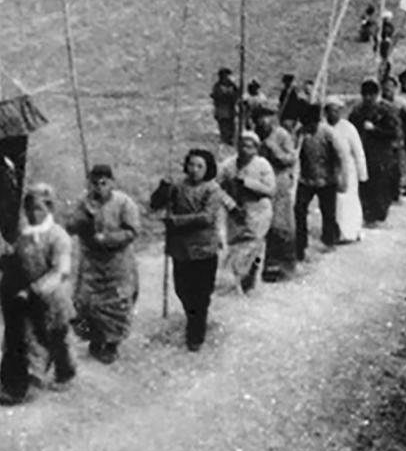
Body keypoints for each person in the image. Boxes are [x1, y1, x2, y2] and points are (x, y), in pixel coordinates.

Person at [150, 149, 236, 351]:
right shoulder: (178, 186)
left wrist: (176, 221)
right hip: (181, 248)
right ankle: (192, 318)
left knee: (201, 293)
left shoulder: (212, 189)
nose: (194, 170)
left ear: (208, 169)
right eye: (191, 165)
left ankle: (196, 334)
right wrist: (163, 188)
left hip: (203, 249)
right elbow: (155, 204)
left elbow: (207, 217)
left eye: (200, 166)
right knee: (182, 289)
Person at [0, 183, 76, 404]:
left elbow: (60, 271)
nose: (34, 214)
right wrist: (6, 261)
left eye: (39, 208)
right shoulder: (22, 236)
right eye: (30, 209)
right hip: (28, 296)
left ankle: (65, 371)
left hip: (53, 294)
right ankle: (31, 378)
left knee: (57, 335)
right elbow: (13, 263)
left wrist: (35, 289)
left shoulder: (58, 236)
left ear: (49, 208)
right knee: (30, 335)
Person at [65, 164, 140, 363]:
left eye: (103, 183)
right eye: (94, 183)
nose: (99, 187)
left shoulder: (124, 203)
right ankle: (95, 339)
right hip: (91, 263)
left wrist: (107, 238)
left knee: (116, 304)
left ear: (112, 183)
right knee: (88, 303)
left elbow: (132, 231)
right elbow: (70, 226)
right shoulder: (83, 202)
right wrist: (84, 218)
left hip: (117, 262)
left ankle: (112, 343)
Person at [218, 131, 276, 293]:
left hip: (258, 212)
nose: (245, 150)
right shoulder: (228, 165)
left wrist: (248, 183)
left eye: (250, 147)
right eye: (242, 146)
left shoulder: (263, 165)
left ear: (256, 149)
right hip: (236, 213)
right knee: (236, 247)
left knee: (254, 247)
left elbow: (271, 190)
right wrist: (229, 204)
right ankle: (236, 281)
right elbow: (216, 187)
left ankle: (249, 281)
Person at [348, 79, 400, 225]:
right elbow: (350, 130)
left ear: (377, 95)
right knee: (364, 183)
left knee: (380, 184)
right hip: (363, 153)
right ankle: (367, 213)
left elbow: (394, 132)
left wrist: (375, 130)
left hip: (381, 154)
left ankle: (379, 213)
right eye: (365, 95)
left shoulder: (386, 110)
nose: (368, 98)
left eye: (371, 95)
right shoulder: (357, 111)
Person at [256, 104, 298, 282]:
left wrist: (274, 149)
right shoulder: (255, 134)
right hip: (260, 184)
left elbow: (291, 158)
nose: (263, 121)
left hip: (279, 183)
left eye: (267, 116)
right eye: (260, 117)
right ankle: (266, 265)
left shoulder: (281, 135)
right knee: (263, 225)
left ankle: (285, 266)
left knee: (281, 225)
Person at [294, 104, 342, 261]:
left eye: (311, 124)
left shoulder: (328, 133)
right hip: (306, 179)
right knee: (299, 209)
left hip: (327, 180)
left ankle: (329, 240)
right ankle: (300, 245)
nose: (308, 127)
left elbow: (339, 156)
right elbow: (295, 153)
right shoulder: (300, 133)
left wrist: (338, 175)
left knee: (328, 212)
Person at [324, 96, 368, 242]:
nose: (333, 114)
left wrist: (362, 173)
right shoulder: (324, 128)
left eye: (336, 111)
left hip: (348, 170)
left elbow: (358, 152)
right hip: (330, 169)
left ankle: (351, 231)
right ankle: (335, 233)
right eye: (330, 111)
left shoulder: (349, 128)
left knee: (349, 200)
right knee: (334, 203)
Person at [210, 67, 239, 146]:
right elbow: (220, 97)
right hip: (222, 111)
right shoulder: (217, 86)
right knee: (224, 128)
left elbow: (237, 95)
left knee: (232, 128)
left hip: (231, 110)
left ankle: (231, 141)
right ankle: (225, 141)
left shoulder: (232, 86)